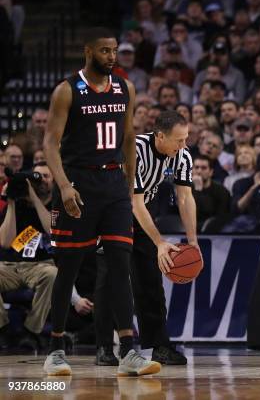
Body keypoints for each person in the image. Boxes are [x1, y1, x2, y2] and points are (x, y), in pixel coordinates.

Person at [42, 27, 159, 376]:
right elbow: (50, 143)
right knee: (70, 267)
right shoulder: (67, 90)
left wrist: (129, 186)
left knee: (120, 266)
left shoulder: (126, 88)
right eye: (105, 51)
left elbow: (127, 139)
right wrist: (63, 186)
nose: (112, 56)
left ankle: (128, 350)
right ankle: (56, 348)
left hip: (113, 184)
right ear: (88, 51)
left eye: (115, 51)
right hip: (78, 182)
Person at [132, 110, 198, 365]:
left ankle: (159, 345)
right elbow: (134, 202)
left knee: (151, 283)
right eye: (178, 140)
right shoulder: (135, 149)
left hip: (141, 215)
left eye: (186, 139)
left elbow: (185, 197)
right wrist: (160, 242)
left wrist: (192, 241)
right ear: (159, 136)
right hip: (110, 214)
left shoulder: (181, 155)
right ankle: (105, 345)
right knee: (109, 279)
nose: (184, 145)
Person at [0, 163, 57, 350]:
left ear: (53, 180)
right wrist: (11, 202)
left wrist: (34, 197)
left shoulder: (57, 203)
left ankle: (32, 331)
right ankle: (3, 328)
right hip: (10, 266)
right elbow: (6, 242)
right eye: (36, 176)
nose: (40, 181)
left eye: (46, 177)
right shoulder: (17, 204)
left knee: (52, 274)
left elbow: (51, 230)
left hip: (40, 266)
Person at [192, 154, 231, 231]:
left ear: (211, 172)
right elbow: (188, 216)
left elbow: (220, 218)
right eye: (196, 167)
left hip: (213, 232)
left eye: (203, 168)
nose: (199, 171)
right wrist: (197, 190)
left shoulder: (222, 191)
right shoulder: (185, 189)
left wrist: (198, 190)